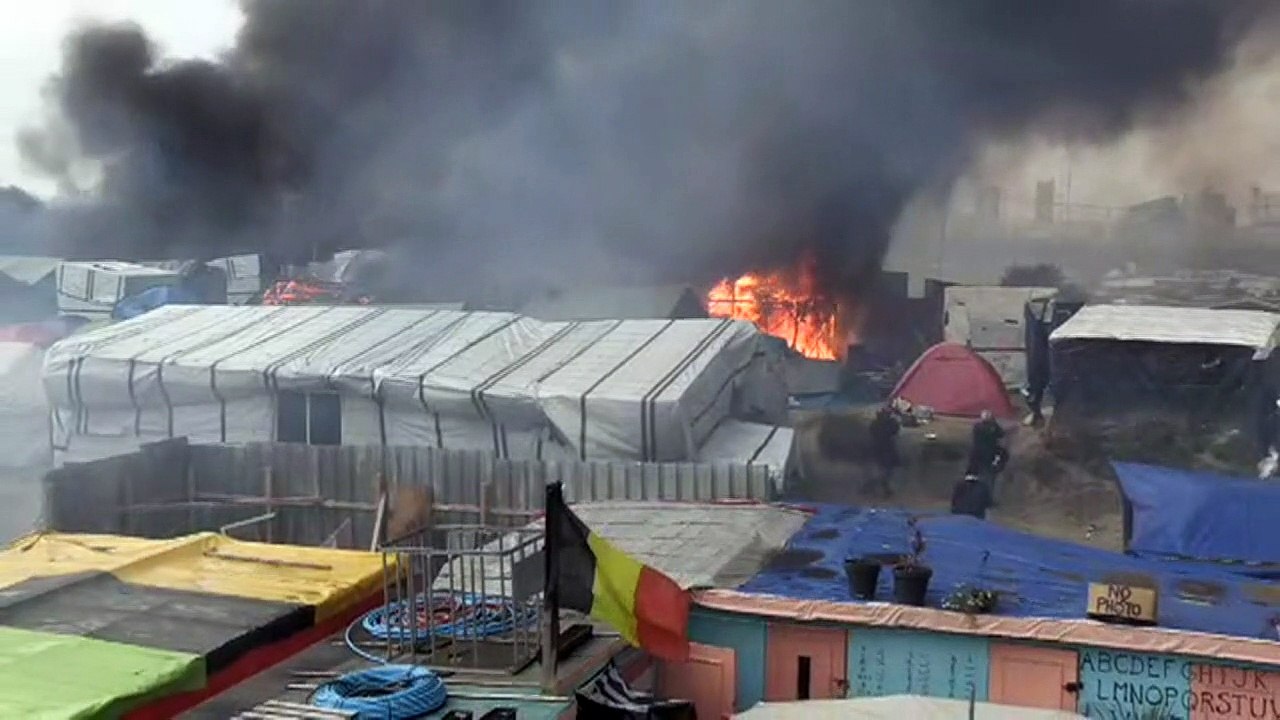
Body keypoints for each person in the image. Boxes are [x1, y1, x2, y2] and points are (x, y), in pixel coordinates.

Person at [867, 405, 900, 497]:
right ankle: (883, 486)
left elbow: (871, 432)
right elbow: (895, 431)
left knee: (881, 468)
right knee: (887, 469)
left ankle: (877, 486)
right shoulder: (892, 423)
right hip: (886, 447)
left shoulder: (875, 423)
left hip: (878, 447)